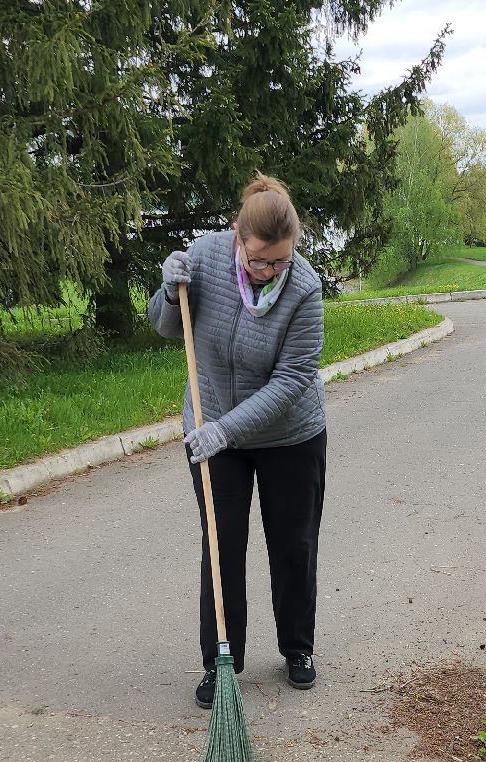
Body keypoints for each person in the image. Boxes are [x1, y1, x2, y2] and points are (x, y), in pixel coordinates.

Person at [147, 174, 327, 710]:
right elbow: (165, 328)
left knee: (293, 546)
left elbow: (293, 379)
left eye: (281, 261)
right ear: (236, 238)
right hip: (210, 431)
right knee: (221, 547)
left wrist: (227, 428)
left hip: (289, 435)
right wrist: (167, 286)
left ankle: (297, 648)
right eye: (260, 260)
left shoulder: (305, 289)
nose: (270, 270)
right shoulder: (204, 259)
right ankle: (220, 661)